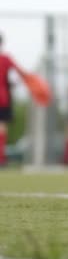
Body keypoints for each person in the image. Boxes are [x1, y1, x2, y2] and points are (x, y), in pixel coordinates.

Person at [0, 34, 16, 167]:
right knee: (2, 127)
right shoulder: (5, 59)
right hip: (2, 97)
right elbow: (21, 72)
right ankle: (1, 157)